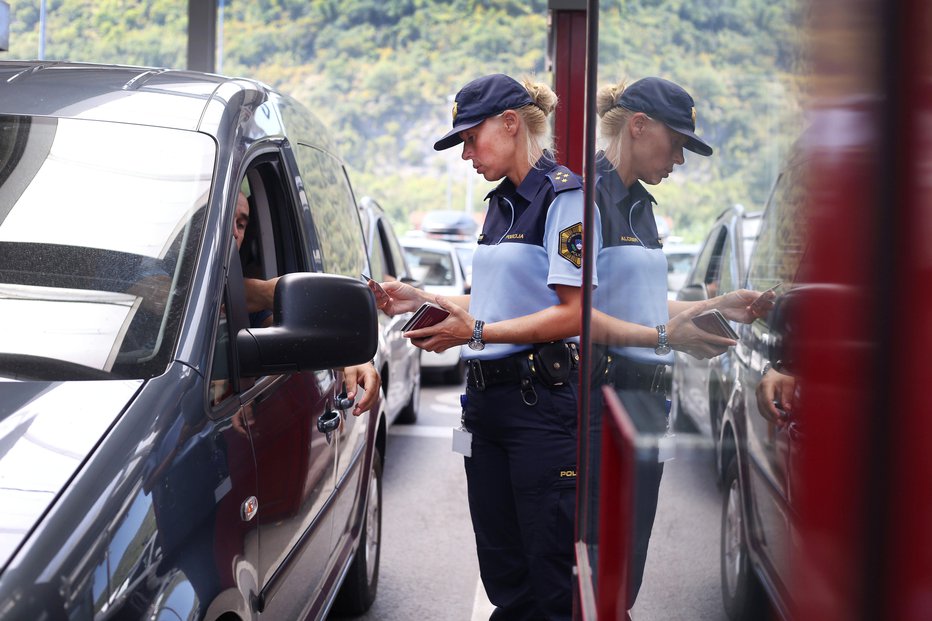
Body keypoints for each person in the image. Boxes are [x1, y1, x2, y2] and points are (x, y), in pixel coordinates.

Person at [372, 73, 585, 620]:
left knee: (550, 577)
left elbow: (573, 312)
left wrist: (475, 332)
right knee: (503, 573)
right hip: (485, 405)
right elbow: (491, 298)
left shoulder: (563, 197)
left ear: (510, 123)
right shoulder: (500, 204)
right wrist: (418, 297)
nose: (466, 154)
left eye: (471, 138)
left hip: (539, 404)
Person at [588, 76, 774, 613]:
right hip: (602, 400)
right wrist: (672, 336)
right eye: (677, 144)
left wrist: (714, 308)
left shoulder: (641, 208)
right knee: (596, 567)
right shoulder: (584, 197)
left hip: (647, 402)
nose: (680, 161)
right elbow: (571, 315)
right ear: (638, 126)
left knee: (627, 569)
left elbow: (643, 308)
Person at [233, 190, 380, 416]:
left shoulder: (248, 312)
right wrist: (265, 291)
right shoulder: (162, 276)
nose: (233, 232)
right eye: (226, 222)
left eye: (240, 224)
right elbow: (168, 292)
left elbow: (298, 335)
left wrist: (353, 359)